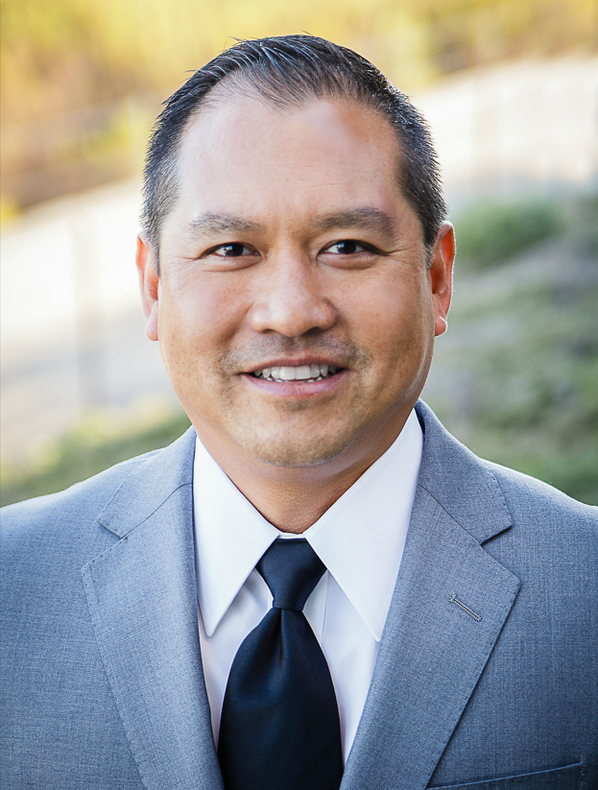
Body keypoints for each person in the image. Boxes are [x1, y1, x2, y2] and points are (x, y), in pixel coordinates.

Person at [1, 35, 596, 790]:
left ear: (437, 276)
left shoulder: (585, 592)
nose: (290, 312)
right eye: (231, 250)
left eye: (347, 246)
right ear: (153, 286)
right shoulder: (11, 590)